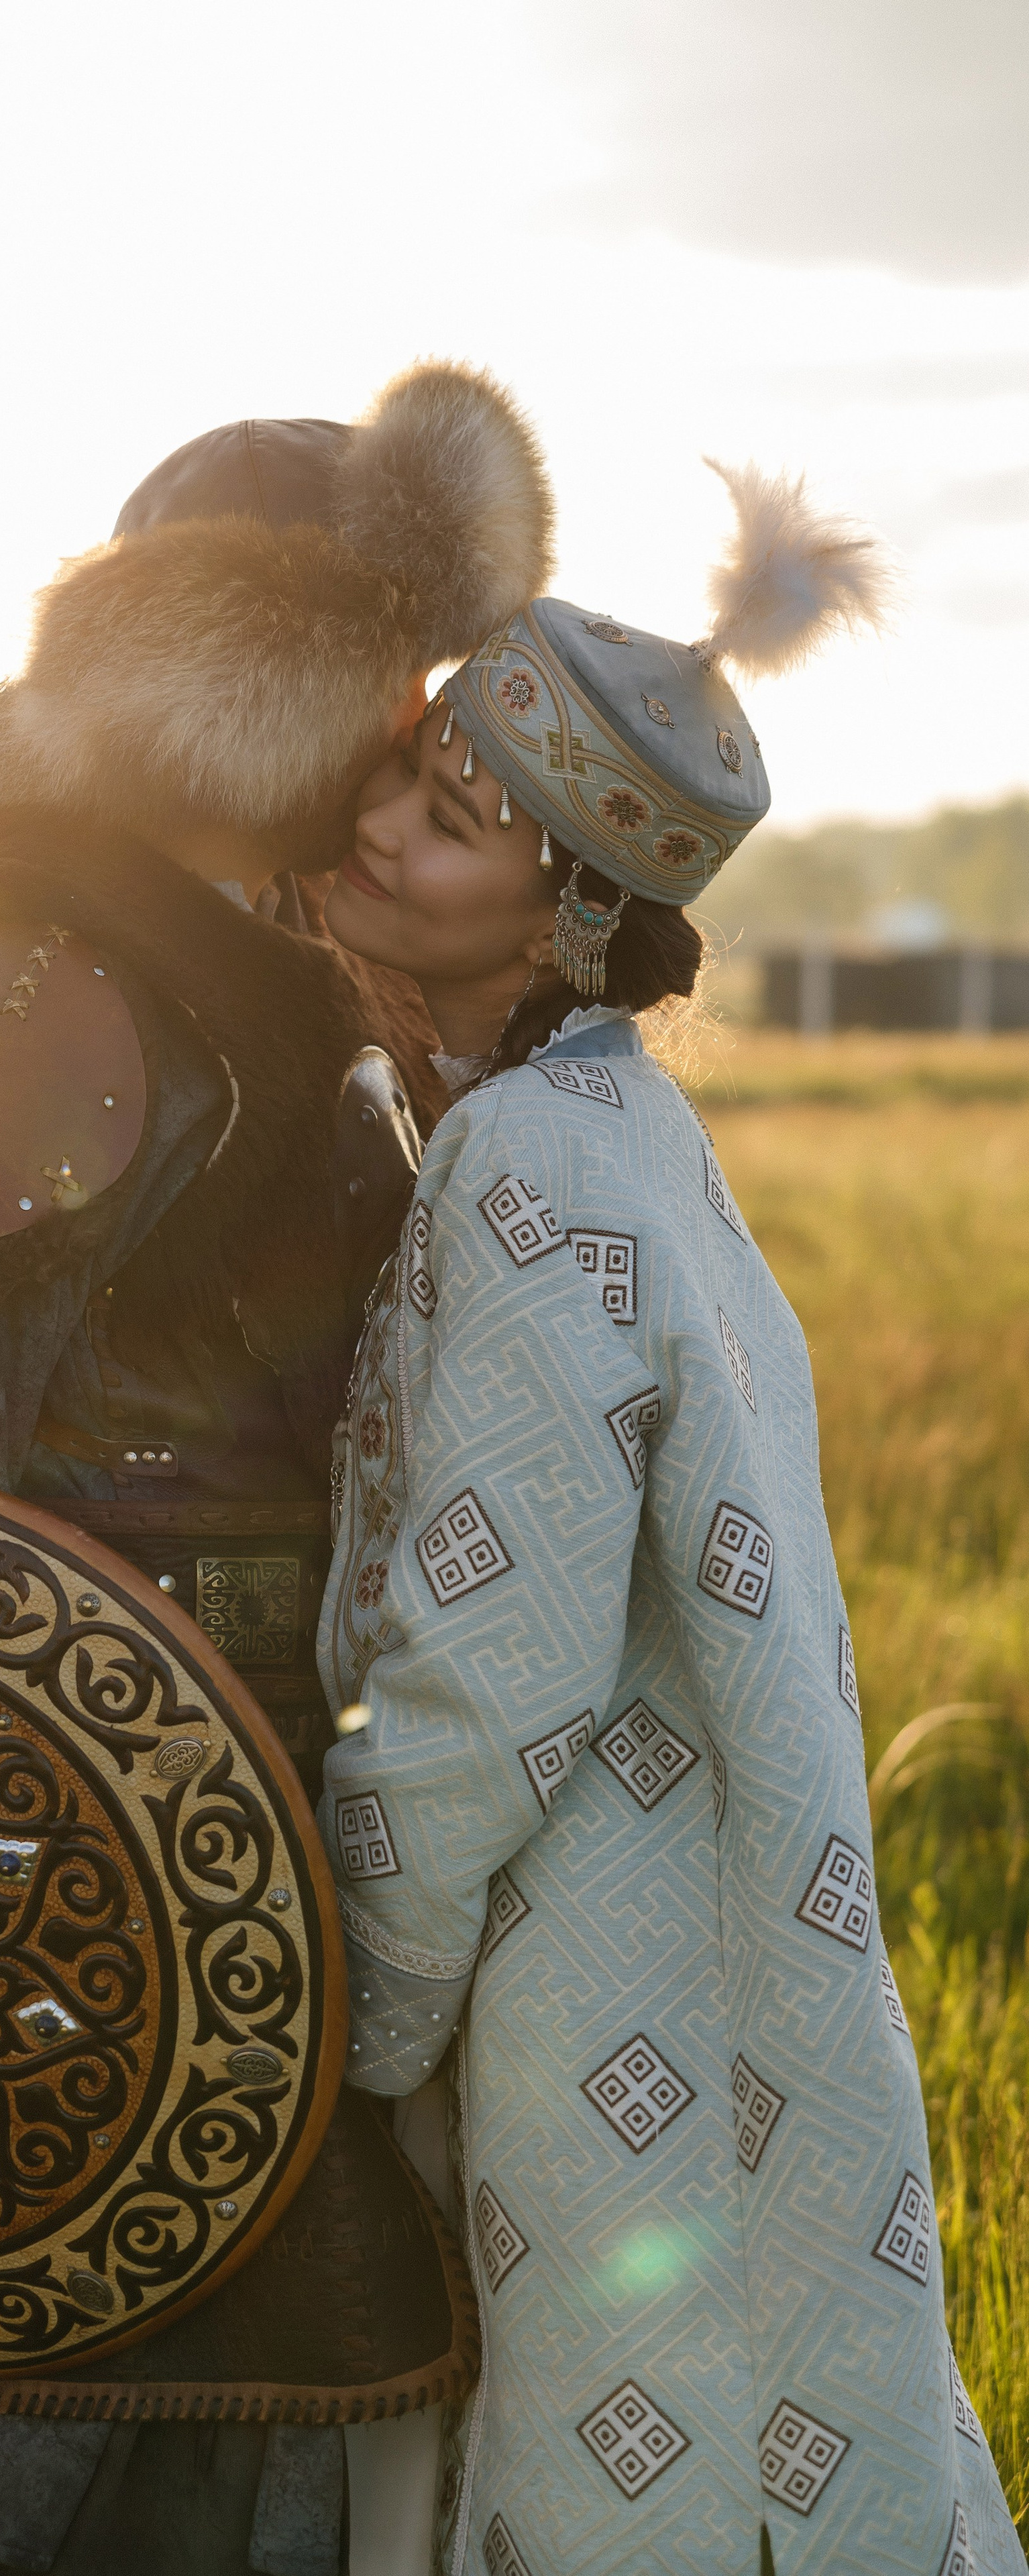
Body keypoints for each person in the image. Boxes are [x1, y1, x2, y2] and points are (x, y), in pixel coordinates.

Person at [0, 360, 555, 2576]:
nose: (414, 746)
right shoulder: (32, 976)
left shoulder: (267, 957)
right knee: (161, 2472)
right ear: (264, 680)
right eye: (384, 693)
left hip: (306, 1810)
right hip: (105, 1848)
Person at [315, 468, 1027, 2573]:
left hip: (596, 1975)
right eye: (415, 771)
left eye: (447, 822)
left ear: (569, 921)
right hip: (690, 1930)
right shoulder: (609, 1127)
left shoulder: (536, 1170)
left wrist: (337, 2008)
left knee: (643, 2471)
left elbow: (494, 1667)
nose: (376, 824)